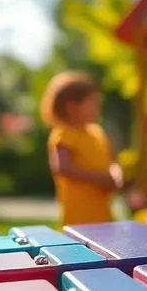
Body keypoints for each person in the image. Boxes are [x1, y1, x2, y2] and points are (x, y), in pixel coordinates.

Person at [40, 71, 127, 227]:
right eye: (92, 102)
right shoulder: (64, 133)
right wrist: (100, 179)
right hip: (79, 221)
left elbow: (110, 161)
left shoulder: (97, 132)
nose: (98, 106)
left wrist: (116, 174)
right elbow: (62, 167)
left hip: (103, 216)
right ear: (71, 106)